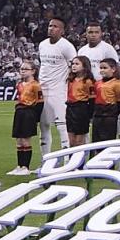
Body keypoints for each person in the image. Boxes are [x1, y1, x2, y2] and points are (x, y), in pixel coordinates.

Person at [38, 15, 77, 155]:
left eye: (55, 27)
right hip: (42, 90)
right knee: (44, 126)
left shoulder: (67, 46)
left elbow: (75, 66)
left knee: (62, 126)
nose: (51, 29)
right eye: (50, 26)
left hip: (59, 90)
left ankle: (67, 160)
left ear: (62, 31)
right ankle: (45, 161)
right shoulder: (42, 45)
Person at [9, 60, 43, 176]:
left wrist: (36, 118)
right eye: (21, 69)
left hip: (29, 112)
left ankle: (26, 166)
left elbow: (40, 102)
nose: (22, 71)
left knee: (25, 140)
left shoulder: (35, 85)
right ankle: (19, 166)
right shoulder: (19, 84)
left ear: (33, 71)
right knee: (19, 140)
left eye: (26, 69)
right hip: (19, 111)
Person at [92, 58, 120, 142]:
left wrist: (113, 114)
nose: (102, 70)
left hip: (109, 116)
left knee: (107, 141)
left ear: (113, 69)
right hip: (98, 115)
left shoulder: (117, 84)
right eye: (101, 68)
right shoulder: (97, 83)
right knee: (96, 141)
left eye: (105, 68)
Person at [66, 56, 95, 147]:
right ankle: (72, 160)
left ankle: (80, 160)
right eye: (73, 64)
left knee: (79, 141)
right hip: (70, 109)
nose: (74, 66)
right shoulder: (71, 80)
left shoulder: (88, 81)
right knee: (71, 141)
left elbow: (92, 99)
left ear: (84, 66)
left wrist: (89, 115)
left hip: (81, 109)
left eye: (77, 64)